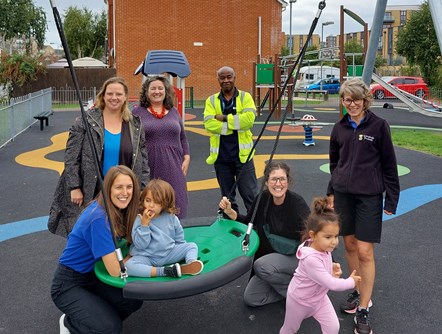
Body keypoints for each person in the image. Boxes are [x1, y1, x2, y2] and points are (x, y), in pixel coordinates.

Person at [327, 78, 400, 334]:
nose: (352, 104)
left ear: (365, 100)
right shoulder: (339, 128)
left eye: (356, 99)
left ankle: (365, 307)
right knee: (348, 244)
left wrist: (392, 198)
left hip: (369, 196)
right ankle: (358, 292)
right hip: (343, 194)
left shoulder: (379, 126)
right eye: (347, 100)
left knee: (365, 251)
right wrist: (331, 192)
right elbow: (334, 163)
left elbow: (389, 165)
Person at [48, 77, 150, 237]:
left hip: (122, 189)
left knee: (119, 233)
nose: (114, 97)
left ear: (125, 97)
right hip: (92, 187)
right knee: (90, 232)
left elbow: (143, 160)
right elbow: (71, 156)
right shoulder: (86, 120)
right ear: (102, 95)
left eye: (118, 94)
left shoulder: (134, 124)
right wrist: (74, 187)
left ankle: (112, 262)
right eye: (109, 93)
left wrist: (142, 188)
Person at [51, 165, 143, 334]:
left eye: (129, 187)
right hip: (68, 284)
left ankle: (91, 314)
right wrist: (138, 257)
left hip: (94, 276)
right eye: (119, 187)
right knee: (110, 328)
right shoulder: (98, 217)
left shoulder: (121, 210)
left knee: (133, 299)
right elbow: (116, 270)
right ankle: (71, 323)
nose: (125, 193)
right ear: (108, 188)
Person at [219, 161, 310, 307]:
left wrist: (330, 263)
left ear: (288, 182)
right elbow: (248, 223)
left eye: (282, 179)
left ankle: (301, 295)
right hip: (271, 261)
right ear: (266, 181)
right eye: (274, 179)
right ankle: (292, 289)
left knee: (261, 265)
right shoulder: (262, 199)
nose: (278, 184)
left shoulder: (296, 203)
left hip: (294, 257)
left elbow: (314, 233)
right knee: (252, 298)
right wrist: (230, 212)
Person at [280, 197, 362, 334]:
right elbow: (332, 284)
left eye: (336, 236)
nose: (334, 242)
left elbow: (324, 274)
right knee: (290, 329)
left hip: (319, 298)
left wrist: (331, 271)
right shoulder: (310, 259)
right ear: (313, 235)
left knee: (333, 327)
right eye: (328, 237)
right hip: (300, 302)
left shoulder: (324, 249)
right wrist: (351, 282)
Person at [132, 76, 190, 219]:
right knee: (149, 204)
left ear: (166, 91)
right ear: (146, 91)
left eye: (160, 88)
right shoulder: (137, 113)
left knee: (175, 203)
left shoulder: (174, 111)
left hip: (173, 165)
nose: (156, 91)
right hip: (149, 165)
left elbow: (182, 137)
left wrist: (187, 156)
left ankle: (174, 237)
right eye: (153, 88)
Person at [204, 66, 258, 215]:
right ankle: (230, 229)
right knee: (227, 199)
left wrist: (224, 119)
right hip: (221, 158)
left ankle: (256, 228)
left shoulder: (245, 97)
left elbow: (249, 121)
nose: (226, 80)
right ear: (218, 80)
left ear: (234, 78)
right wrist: (235, 124)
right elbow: (209, 124)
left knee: (251, 196)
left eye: (229, 77)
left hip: (243, 157)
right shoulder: (212, 100)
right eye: (222, 78)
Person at [125, 179, 203, 278]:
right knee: (129, 266)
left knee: (191, 246)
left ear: (165, 203)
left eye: (156, 202)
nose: (151, 205)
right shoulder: (140, 219)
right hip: (147, 257)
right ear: (143, 200)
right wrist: (145, 225)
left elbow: (179, 237)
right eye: (148, 200)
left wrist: (181, 251)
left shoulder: (171, 217)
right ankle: (164, 271)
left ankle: (190, 264)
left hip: (168, 254)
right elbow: (141, 246)